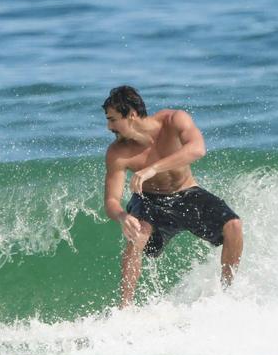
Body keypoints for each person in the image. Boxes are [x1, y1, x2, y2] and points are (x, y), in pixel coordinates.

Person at [103, 85, 243, 307]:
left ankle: (227, 296)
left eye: (112, 119)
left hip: (187, 193)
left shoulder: (174, 120)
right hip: (149, 201)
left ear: (131, 114)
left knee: (233, 225)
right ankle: (124, 309)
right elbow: (111, 200)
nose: (109, 126)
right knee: (137, 237)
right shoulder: (117, 152)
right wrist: (122, 216)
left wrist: (153, 169)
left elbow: (197, 149)